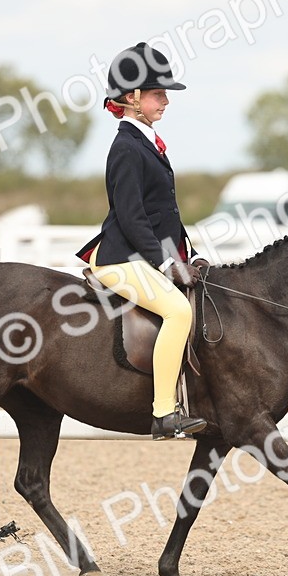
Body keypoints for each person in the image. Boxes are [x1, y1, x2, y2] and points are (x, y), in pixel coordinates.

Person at [76, 42, 209, 440]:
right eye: (158, 93)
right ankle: (164, 413)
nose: (166, 101)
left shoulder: (147, 142)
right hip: (121, 259)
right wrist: (167, 264)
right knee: (178, 312)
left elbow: (164, 212)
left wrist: (189, 254)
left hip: (143, 255)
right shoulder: (126, 148)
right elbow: (132, 218)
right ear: (132, 97)